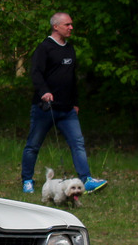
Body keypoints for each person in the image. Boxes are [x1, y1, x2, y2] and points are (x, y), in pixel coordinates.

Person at [21, 12, 108, 194]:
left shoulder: (70, 49)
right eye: (67, 24)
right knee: (33, 145)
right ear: (56, 26)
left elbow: (72, 78)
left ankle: (87, 180)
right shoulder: (44, 48)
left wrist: (75, 102)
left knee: (78, 143)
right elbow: (36, 73)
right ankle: (27, 180)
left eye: (71, 24)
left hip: (67, 110)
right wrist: (44, 91)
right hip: (45, 108)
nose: (71, 28)